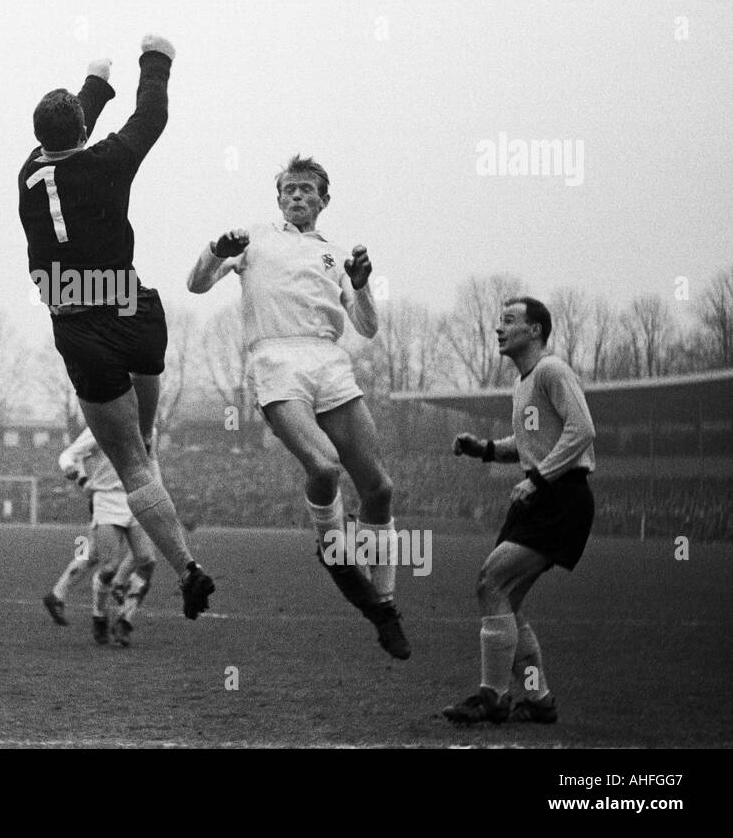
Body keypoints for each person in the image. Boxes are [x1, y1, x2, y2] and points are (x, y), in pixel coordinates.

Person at [18, 35, 214, 619]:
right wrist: (154, 61)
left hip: (76, 322)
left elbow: (70, 129)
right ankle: (151, 454)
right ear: (81, 132)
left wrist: (93, 82)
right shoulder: (107, 162)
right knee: (145, 446)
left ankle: (188, 569)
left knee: (131, 464)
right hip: (128, 304)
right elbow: (150, 113)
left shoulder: (28, 172)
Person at [187, 156, 409, 658]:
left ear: (324, 200)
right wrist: (212, 251)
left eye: (308, 190)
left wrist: (363, 282)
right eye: (289, 189)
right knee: (325, 466)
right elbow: (196, 284)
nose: (297, 197)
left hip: (330, 362)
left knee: (379, 488)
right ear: (279, 197)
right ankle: (333, 547)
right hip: (276, 360)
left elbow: (368, 327)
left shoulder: (334, 254)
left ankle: (386, 604)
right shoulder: (254, 239)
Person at [444, 297, 596, 725]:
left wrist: (540, 478)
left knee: (490, 582)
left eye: (508, 321)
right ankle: (538, 698)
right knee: (506, 600)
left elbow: (582, 430)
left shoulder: (551, 370)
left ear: (534, 330)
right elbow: (531, 444)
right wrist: (487, 449)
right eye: (499, 321)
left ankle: (492, 697)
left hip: (561, 499)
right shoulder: (525, 382)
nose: (498, 328)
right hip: (543, 495)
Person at [44, 427, 156, 646]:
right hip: (107, 500)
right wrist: (81, 479)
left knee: (145, 560)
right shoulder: (103, 422)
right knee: (105, 562)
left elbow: (152, 464)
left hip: (138, 499)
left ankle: (123, 621)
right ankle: (98, 612)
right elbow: (68, 455)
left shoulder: (149, 428)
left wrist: (157, 496)